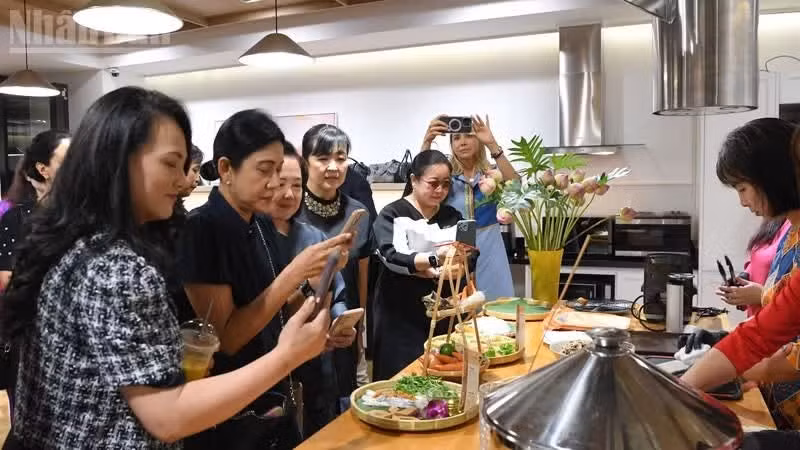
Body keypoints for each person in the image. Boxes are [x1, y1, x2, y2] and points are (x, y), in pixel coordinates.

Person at [0, 87, 332, 449]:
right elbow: (167, 416)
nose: (183, 179)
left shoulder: (74, 240)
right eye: (171, 163)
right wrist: (288, 355)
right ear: (119, 160)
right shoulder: (119, 267)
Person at [178, 110, 353, 448]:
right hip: (229, 414)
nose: (274, 184)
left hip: (271, 397)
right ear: (226, 169)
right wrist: (296, 271)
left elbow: (272, 305)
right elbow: (226, 338)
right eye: (264, 170)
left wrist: (318, 290)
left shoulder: (258, 222)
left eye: (278, 170)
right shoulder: (203, 227)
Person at [681, 118, 800, 430]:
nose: (742, 201)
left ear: (774, 176)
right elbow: (762, 331)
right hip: (780, 406)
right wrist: (683, 387)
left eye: (743, 188)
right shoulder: (790, 233)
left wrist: (746, 369)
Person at [267, 142, 356, 436]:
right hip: (272, 370)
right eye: (280, 184)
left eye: (297, 184)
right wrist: (307, 286)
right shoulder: (253, 236)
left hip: (319, 365)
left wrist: (340, 323)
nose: (289, 194)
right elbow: (264, 311)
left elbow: (337, 292)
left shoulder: (312, 235)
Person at [372, 150, 473, 380]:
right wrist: (433, 260)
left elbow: (471, 252)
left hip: (444, 310)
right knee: (403, 375)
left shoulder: (455, 214)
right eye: (433, 183)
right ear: (414, 180)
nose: (440, 190)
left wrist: (461, 264)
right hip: (402, 311)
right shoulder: (392, 213)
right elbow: (391, 255)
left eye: (446, 184)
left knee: (443, 368)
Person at [297, 124, 374, 402]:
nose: (333, 166)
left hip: (344, 327)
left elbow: (362, 268)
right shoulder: (291, 210)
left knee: (343, 397)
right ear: (306, 162)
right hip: (300, 327)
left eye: (341, 159)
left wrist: (360, 320)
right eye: (322, 158)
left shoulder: (357, 211)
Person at [421, 114, 517, 301]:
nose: (462, 142)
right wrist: (427, 141)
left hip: (491, 244)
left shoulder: (492, 173)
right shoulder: (445, 176)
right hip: (456, 246)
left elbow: (516, 185)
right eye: (456, 138)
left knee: (497, 306)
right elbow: (421, 181)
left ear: (478, 140)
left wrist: (492, 143)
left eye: (469, 136)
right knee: (461, 308)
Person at [0, 130, 70, 288]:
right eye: (67, 161)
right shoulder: (17, 218)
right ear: (43, 170)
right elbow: (6, 277)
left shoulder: (87, 212)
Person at [717, 218, 791, 317]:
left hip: (781, 327)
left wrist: (763, 295)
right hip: (758, 323)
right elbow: (759, 257)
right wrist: (744, 278)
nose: (744, 203)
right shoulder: (776, 219)